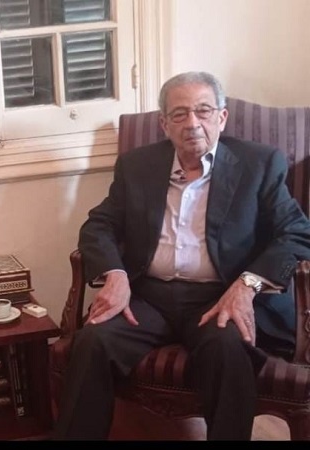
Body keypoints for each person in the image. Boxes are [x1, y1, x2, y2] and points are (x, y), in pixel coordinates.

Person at [52, 71, 310, 440]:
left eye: (203, 110)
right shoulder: (137, 166)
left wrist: (247, 285)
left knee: (229, 349)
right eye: (179, 113)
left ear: (221, 117)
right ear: (164, 124)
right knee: (92, 341)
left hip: (220, 297)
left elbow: (296, 232)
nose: (192, 123)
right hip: (148, 297)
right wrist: (115, 275)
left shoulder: (259, 164)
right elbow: (99, 225)